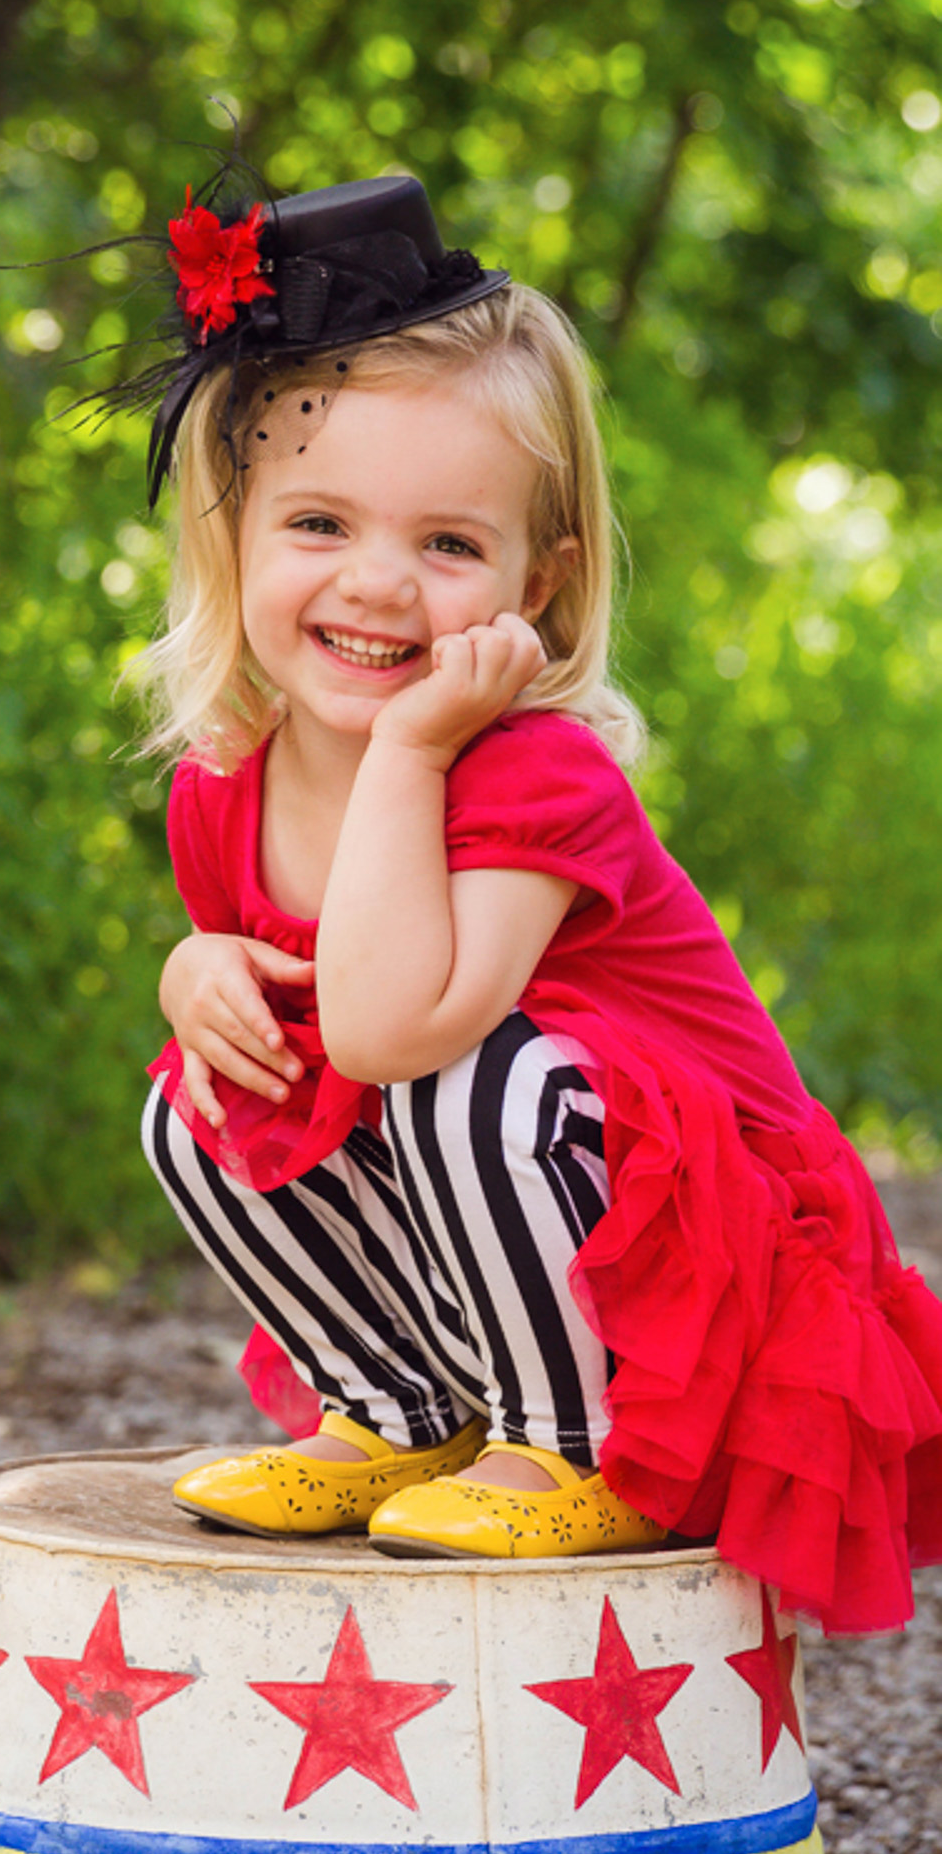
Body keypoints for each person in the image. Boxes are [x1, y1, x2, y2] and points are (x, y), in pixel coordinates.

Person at [122, 171, 942, 1635]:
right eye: (318, 522)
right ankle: (395, 1414)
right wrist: (199, 967)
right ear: (229, 528)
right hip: (517, 1252)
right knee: (194, 1089)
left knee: (475, 1079)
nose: (379, 586)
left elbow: (390, 1031)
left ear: (538, 586)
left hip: (698, 1284)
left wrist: (418, 744)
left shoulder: (529, 778)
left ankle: (576, 1453)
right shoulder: (223, 791)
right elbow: (305, 1038)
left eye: (447, 546)